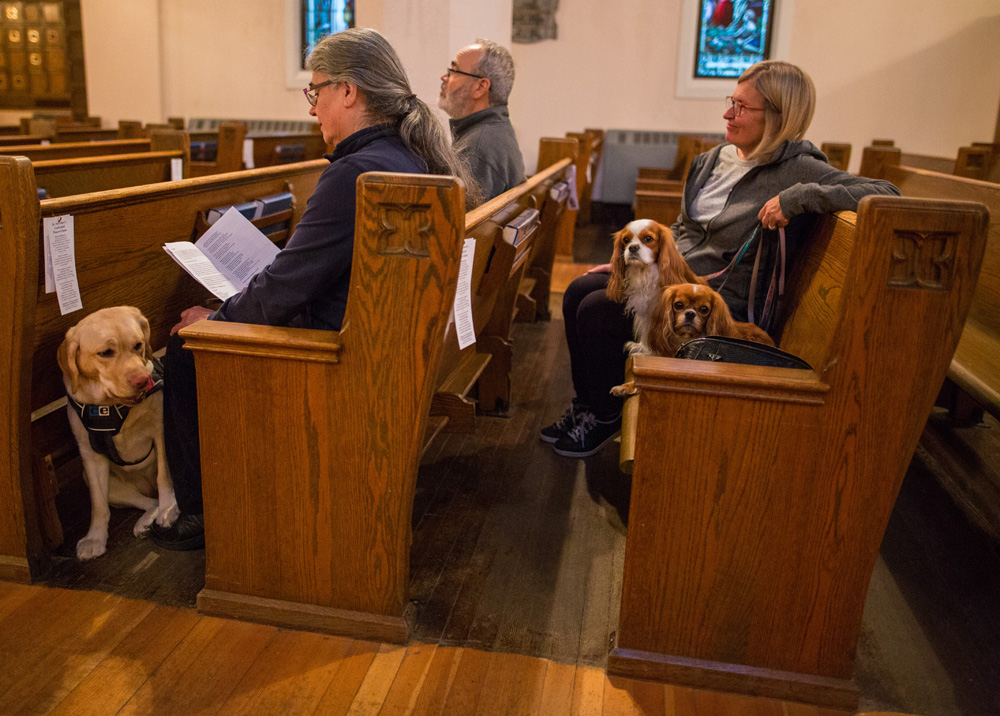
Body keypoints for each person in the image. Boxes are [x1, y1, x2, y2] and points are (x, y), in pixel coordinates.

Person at [150, 28, 481, 550]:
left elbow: (285, 290)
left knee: (188, 348)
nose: (312, 109)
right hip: (381, 344)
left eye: (316, 91)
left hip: (339, 360)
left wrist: (216, 322)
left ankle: (204, 512)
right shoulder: (405, 154)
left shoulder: (356, 170)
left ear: (349, 91)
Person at [542, 60, 900, 459]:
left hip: (712, 301)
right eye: (732, 101)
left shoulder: (798, 168)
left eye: (743, 107)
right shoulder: (711, 160)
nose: (728, 113)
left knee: (596, 309)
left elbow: (886, 191)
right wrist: (638, 261)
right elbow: (681, 228)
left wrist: (799, 198)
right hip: (669, 282)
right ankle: (588, 404)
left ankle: (606, 415)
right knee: (577, 291)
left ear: (780, 116)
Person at [438, 39, 526, 200]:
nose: (444, 77)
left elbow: (456, 223)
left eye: (453, 71)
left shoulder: (477, 152)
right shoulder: (496, 130)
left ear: (480, 87)